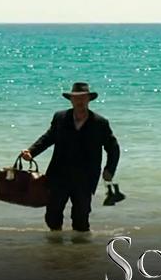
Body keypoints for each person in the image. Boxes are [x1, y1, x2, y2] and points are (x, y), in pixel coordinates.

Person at [21, 82, 120, 233]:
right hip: (59, 174)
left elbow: (113, 148)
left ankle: (80, 253)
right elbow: (48, 138)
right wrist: (31, 151)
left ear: (88, 99)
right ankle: (56, 248)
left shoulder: (100, 123)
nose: (79, 101)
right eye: (76, 98)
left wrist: (109, 170)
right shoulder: (60, 118)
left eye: (83, 98)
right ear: (71, 100)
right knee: (52, 216)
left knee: (81, 219)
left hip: (85, 178)